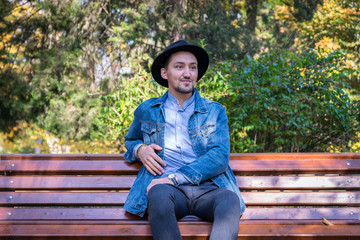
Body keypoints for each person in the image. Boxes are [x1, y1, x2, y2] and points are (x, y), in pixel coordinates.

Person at [123, 40, 246, 240]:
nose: (187, 73)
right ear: (165, 73)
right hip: (168, 191)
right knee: (158, 195)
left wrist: (175, 177)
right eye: (179, 67)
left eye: (192, 67)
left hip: (208, 188)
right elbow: (131, 140)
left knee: (230, 199)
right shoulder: (147, 110)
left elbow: (220, 156)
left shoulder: (214, 111)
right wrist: (140, 150)